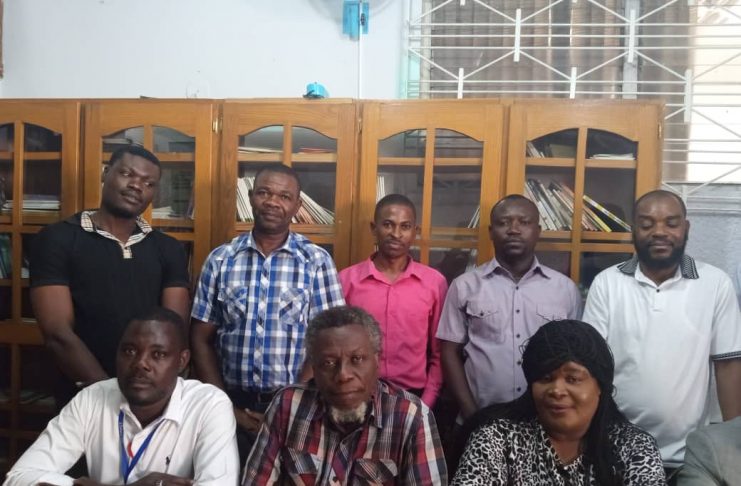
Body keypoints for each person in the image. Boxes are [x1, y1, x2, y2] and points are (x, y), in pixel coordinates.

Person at [190, 163, 345, 462]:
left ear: (297, 206)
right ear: (251, 197)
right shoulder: (220, 260)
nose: (273, 202)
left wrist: (293, 403)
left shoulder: (316, 261)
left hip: (299, 408)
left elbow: (330, 340)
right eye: (264, 192)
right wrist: (226, 407)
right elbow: (200, 339)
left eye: (284, 196)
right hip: (229, 405)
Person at [583, 189, 741, 480]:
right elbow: (590, 369)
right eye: (647, 224)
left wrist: (734, 445)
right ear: (634, 229)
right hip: (619, 449)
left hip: (691, 456)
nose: (659, 232)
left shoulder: (715, 284)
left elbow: (728, 365)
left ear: (686, 228)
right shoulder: (607, 283)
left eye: (671, 223)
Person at [30, 144, 190, 407]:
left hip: (151, 398)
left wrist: (147, 398)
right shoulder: (57, 239)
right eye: (127, 174)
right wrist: (109, 397)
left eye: (148, 183)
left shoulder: (169, 249)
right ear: (106, 173)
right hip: (83, 395)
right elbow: (58, 333)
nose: (137, 185)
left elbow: (174, 330)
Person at [3, 307, 239, 486]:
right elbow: (18, 478)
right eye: (129, 351)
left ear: (182, 361)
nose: (140, 364)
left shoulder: (209, 405)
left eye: (158, 354)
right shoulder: (91, 398)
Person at [242, 306, 448, 485]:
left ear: (377, 360)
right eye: (329, 363)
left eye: (357, 359)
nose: (343, 375)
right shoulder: (288, 404)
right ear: (314, 367)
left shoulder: (411, 417)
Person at [451, 319, 666, 485]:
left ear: (600, 385)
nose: (556, 390)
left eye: (572, 379)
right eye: (545, 378)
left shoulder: (633, 446)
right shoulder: (497, 438)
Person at [437, 194, 582, 420]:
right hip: (481, 418)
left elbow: (576, 357)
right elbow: (449, 352)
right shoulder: (465, 286)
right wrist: (471, 414)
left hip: (546, 420)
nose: (514, 230)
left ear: (538, 231)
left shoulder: (565, 290)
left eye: (524, 222)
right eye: (503, 222)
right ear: (490, 232)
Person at [339, 194, 447, 407]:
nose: (396, 234)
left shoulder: (434, 283)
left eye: (405, 226)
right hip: (357, 394)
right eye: (388, 224)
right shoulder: (346, 280)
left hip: (414, 397)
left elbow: (440, 352)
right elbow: (334, 344)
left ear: (415, 231)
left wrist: (426, 403)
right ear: (374, 228)